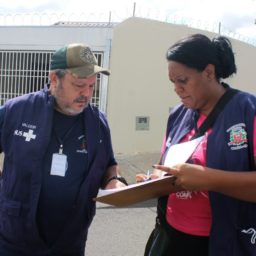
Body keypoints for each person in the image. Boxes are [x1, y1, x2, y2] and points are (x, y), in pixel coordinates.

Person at [0, 43, 128, 256]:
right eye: (78, 85)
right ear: (53, 79)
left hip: (69, 242)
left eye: (91, 86)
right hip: (15, 240)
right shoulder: (17, 111)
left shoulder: (98, 123)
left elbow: (109, 164)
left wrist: (114, 182)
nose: (86, 93)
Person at [139, 33, 256, 256]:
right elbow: (164, 163)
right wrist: (153, 177)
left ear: (209, 72)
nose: (176, 89)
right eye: (173, 82)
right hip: (173, 235)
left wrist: (208, 179)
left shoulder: (247, 111)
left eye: (182, 81)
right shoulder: (177, 115)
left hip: (226, 241)